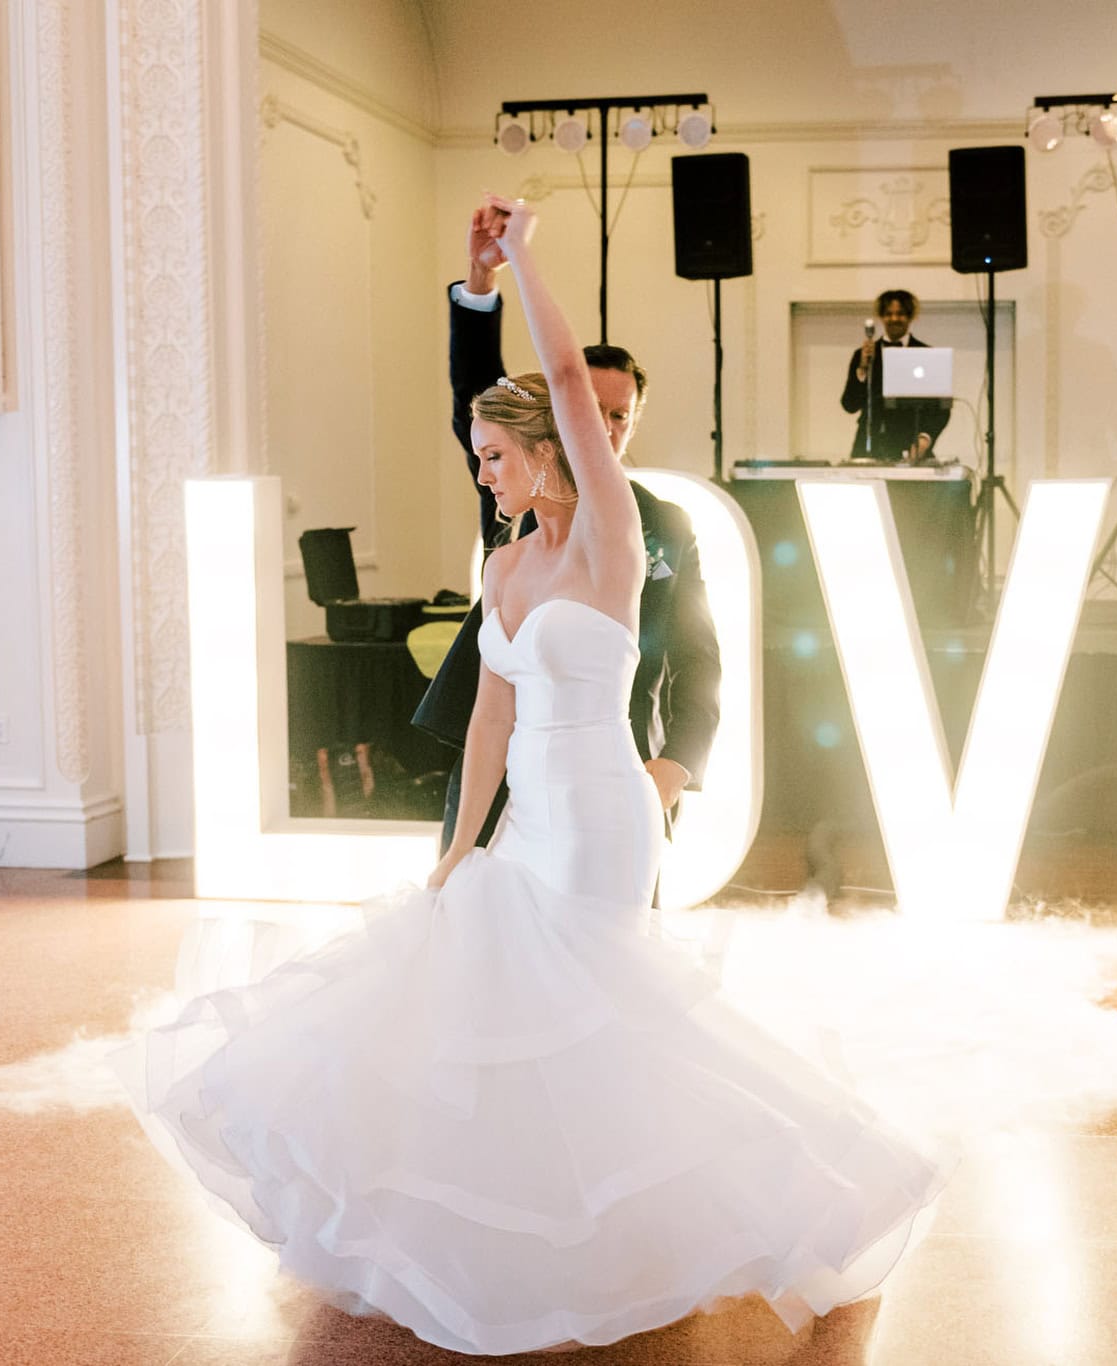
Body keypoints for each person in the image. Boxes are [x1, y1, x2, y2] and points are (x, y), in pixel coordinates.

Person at [114, 196, 946, 1357]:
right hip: (523, 822)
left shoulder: (615, 532)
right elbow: (494, 714)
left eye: (499, 456)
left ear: (561, 444)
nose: (487, 475)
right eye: (478, 460)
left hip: (605, 813)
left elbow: (557, 374)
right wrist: (458, 853)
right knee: (489, 1006)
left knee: (600, 1013)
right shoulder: (505, 558)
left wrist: (520, 258)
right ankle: (525, 1232)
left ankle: (733, 1205)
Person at [414, 203, 720, 856]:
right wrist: (480, 279)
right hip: (496, 777)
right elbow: (478, 393)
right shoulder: (510, 491)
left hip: (612, 784)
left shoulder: (658, 523)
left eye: (620, 415)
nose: (604, 427)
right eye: (590, 409)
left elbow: (698, 665)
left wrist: (666, 775)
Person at [840, 289, 950, 461]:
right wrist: (862, 369)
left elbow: (940, 409)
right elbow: (849, 405)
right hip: (869, 444)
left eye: (900, 314)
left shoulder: (927, 354)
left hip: (910, 444)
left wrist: (925, 438)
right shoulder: (863, 355)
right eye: (888, 314)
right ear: (881, 317)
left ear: (910, 316)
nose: (894, 319)